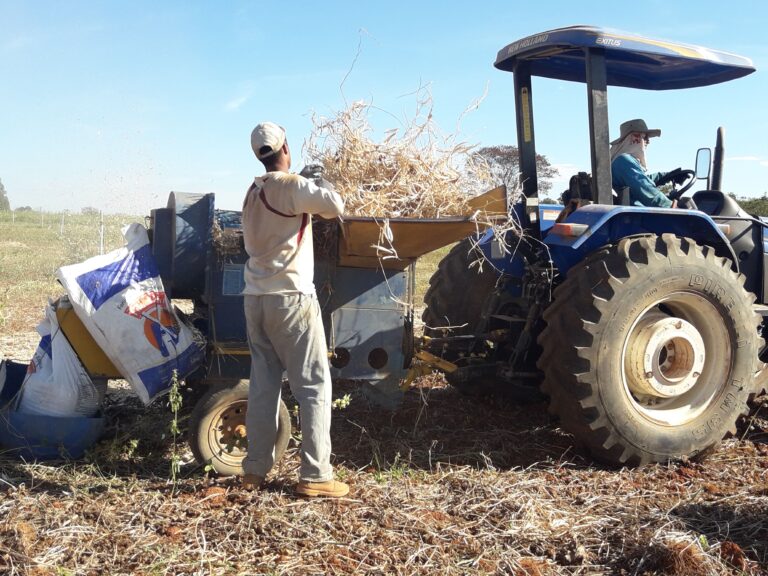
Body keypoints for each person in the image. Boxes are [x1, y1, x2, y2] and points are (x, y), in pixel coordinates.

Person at [240, 121, 349, 498]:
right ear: (285, 147)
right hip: (291, 299)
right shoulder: (290, 187)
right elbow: (335, 208)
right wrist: (320, 180)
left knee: (264, 385)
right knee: (314, 384)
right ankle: (316, 475)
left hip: (255, 299)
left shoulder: (252, 192)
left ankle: (254, 470)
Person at [610, 119, 688, 208]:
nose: (648, 142)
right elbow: (646, 189)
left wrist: (670, 175)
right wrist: (671, 206)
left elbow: (643, 179)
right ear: (634, 138)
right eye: (645, 137)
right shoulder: (624, 161)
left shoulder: (624, 161)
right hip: (635, 217)